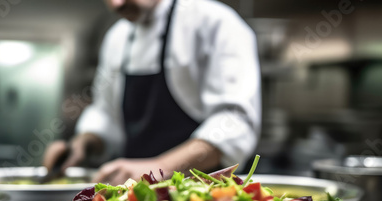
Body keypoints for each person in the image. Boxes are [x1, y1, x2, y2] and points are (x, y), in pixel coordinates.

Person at [43, 0, 261, 185]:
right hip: (136, 199)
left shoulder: (215, 22)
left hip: (205, 196)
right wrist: (83, 143)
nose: (116, 4)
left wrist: (161, 168)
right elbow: (106, 114)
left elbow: (234, 121)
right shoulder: (117, 38)